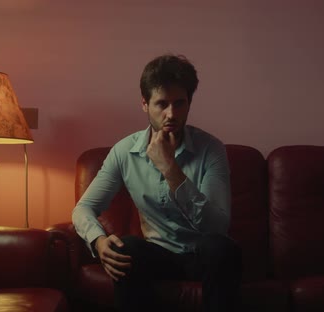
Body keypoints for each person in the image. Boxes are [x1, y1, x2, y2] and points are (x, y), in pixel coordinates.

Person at [72, 54, 242, 311]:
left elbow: (216, 226)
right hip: (158, 255)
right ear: (144, 104)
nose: (171, 114)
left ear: (189, 103)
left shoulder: (211, 149)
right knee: (124, 247)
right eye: (161, 104)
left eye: (179, 103)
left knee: (220, 247)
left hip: (203, 256)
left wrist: (170, 169)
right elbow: (83, 209)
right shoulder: (124, 151)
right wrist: (98, 240)